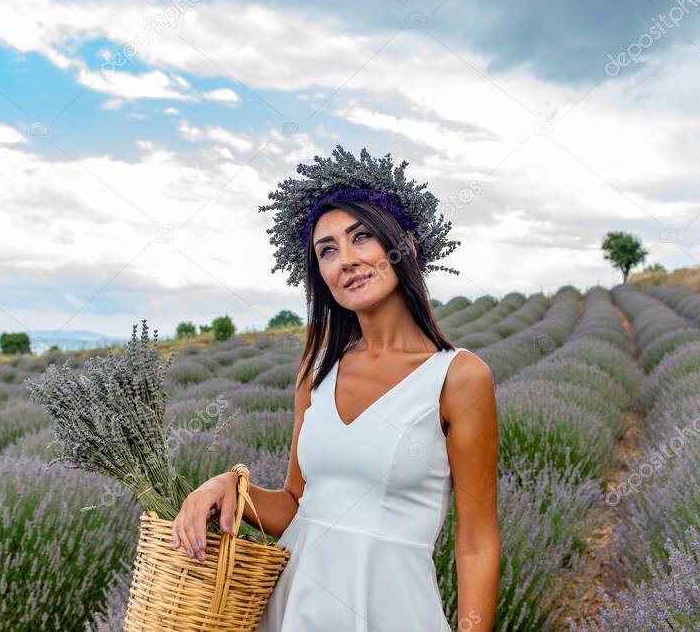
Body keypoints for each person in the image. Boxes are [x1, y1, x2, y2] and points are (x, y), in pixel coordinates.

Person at [171, 146, 500, 631]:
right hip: (293, 609)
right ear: (320, 276)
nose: (346, 260)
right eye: (327, 250)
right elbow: (297, 506)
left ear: (405, 243)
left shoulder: (459, 377)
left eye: (361, 237)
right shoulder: (316, 372)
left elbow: (476, 540)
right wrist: (228, 487)